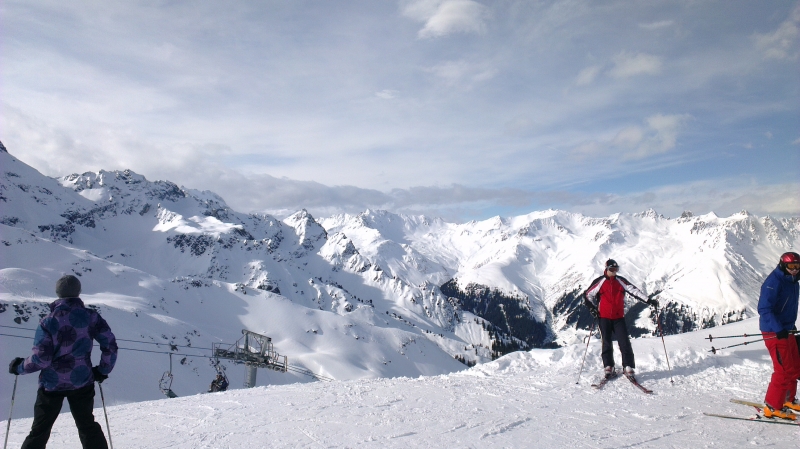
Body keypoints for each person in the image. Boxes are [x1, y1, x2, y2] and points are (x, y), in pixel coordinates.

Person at [8, 274, 118, 449]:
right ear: (79, 292)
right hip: (82, 381)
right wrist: (102, 370)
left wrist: (19, 367)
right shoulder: (91, 317)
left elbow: (41, 359)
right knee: (88, 427)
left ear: (57, 293)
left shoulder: (48, 321)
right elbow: (110, 345)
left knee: (40, 430)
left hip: (51, 384)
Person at [583, 259, 658, 379]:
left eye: (616, 269)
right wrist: (592, 308)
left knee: (624, 342)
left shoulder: (620, 281)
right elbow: (588, 295)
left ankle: (628, 366)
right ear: (607, 269)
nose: (614, 272)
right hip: (604, 317)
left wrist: (648, 300)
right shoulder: (600, 282)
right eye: (612, 270)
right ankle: (608, 366)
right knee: (606, 342)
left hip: (618, 317)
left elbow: (635, 291)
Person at [758, 251, 800, 420]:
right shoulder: (774, 282)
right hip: (774, 332)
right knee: (783, 370)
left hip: (786, 329)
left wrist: (790, 326)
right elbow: (764, 309)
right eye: (791, 267)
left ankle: (788, 399)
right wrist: (778, 328)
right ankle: (772, 406)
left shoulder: (793, 281)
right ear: (783, 265)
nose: (795, 270)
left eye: (797, 266)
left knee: (795, 366)